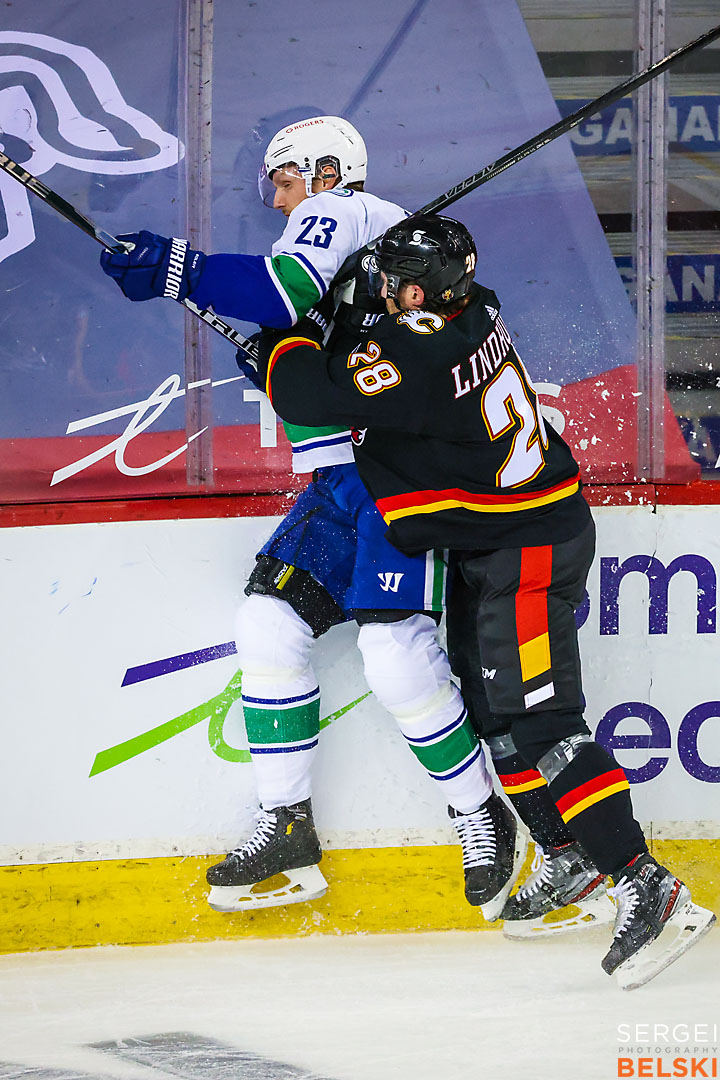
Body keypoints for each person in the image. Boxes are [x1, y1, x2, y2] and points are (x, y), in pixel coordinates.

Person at [254, 212, 716, 988]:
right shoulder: (477, 306)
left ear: (425, 290)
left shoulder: (421, 350)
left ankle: (647, 884)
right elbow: (376, 355)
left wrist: (281, 339)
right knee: (495, 710)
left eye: (394, 282)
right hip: (495, 543)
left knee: (545, 723)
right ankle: (566, 853)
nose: (383, 290)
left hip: (527, 554)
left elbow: (311, 391)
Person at [99, 116, 526, 922]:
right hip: (338, 481)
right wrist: (265, 349)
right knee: (267, 624)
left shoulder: (346, 213)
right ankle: (288, 829)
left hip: (399, 480)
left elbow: (279, 289)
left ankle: (480, 813)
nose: (280, 199)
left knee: (394, 650)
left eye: (285, 180)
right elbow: (319, 356)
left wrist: (176, 269)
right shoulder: (352, 253)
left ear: (326, 170)